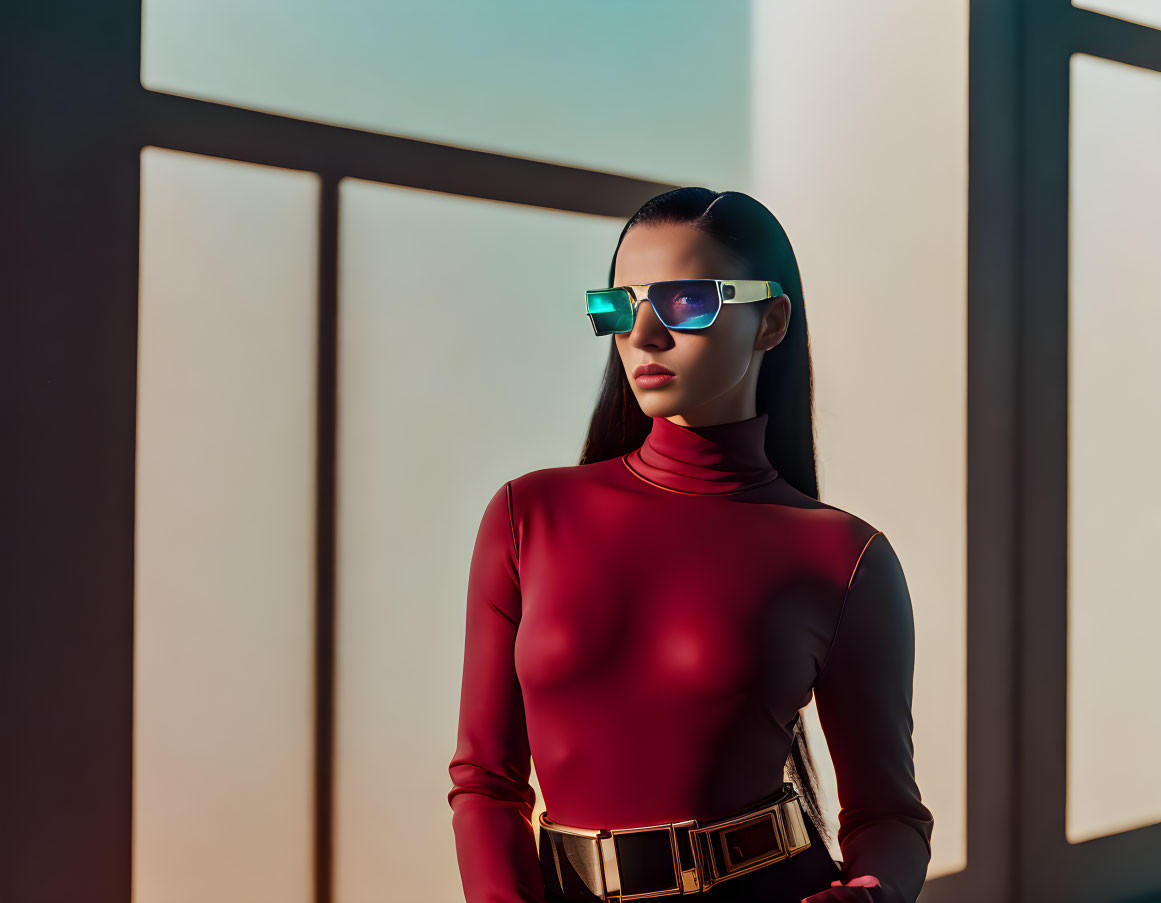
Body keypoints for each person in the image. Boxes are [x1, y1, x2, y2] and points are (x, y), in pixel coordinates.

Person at [447, 188, 934, 903]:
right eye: (620, 305)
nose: (642, 333)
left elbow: (887, 813)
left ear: (770, 320)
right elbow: (485, 781)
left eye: (683, 303)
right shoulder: (528, 514)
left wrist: (870, 890)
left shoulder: (843, 555)